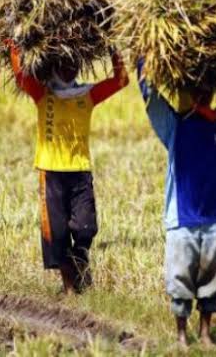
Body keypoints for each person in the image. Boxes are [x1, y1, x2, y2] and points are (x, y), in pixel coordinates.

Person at [137, 59, 216, 347]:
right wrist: (142, 60)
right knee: (180, 279)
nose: (201, 94)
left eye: (206, 89)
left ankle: (205, 334)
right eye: (196, 89)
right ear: (186, 93)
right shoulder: (174, 126)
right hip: (182, 217)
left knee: (215, 278)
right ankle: (181, 335)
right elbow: (150, 95)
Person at [9, 42, 129, 294]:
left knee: (86, 227)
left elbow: (121, 81)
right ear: (53, 66)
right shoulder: (43, 94)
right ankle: (69, 288)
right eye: (64, 64)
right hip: (50, 170)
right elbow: (21, 76)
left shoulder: (87, 95)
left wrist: (112, 48)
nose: (70, 69)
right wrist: (15, 46)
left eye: (74, 64)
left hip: (80, 169)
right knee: (59, 232)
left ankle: (80, 259)